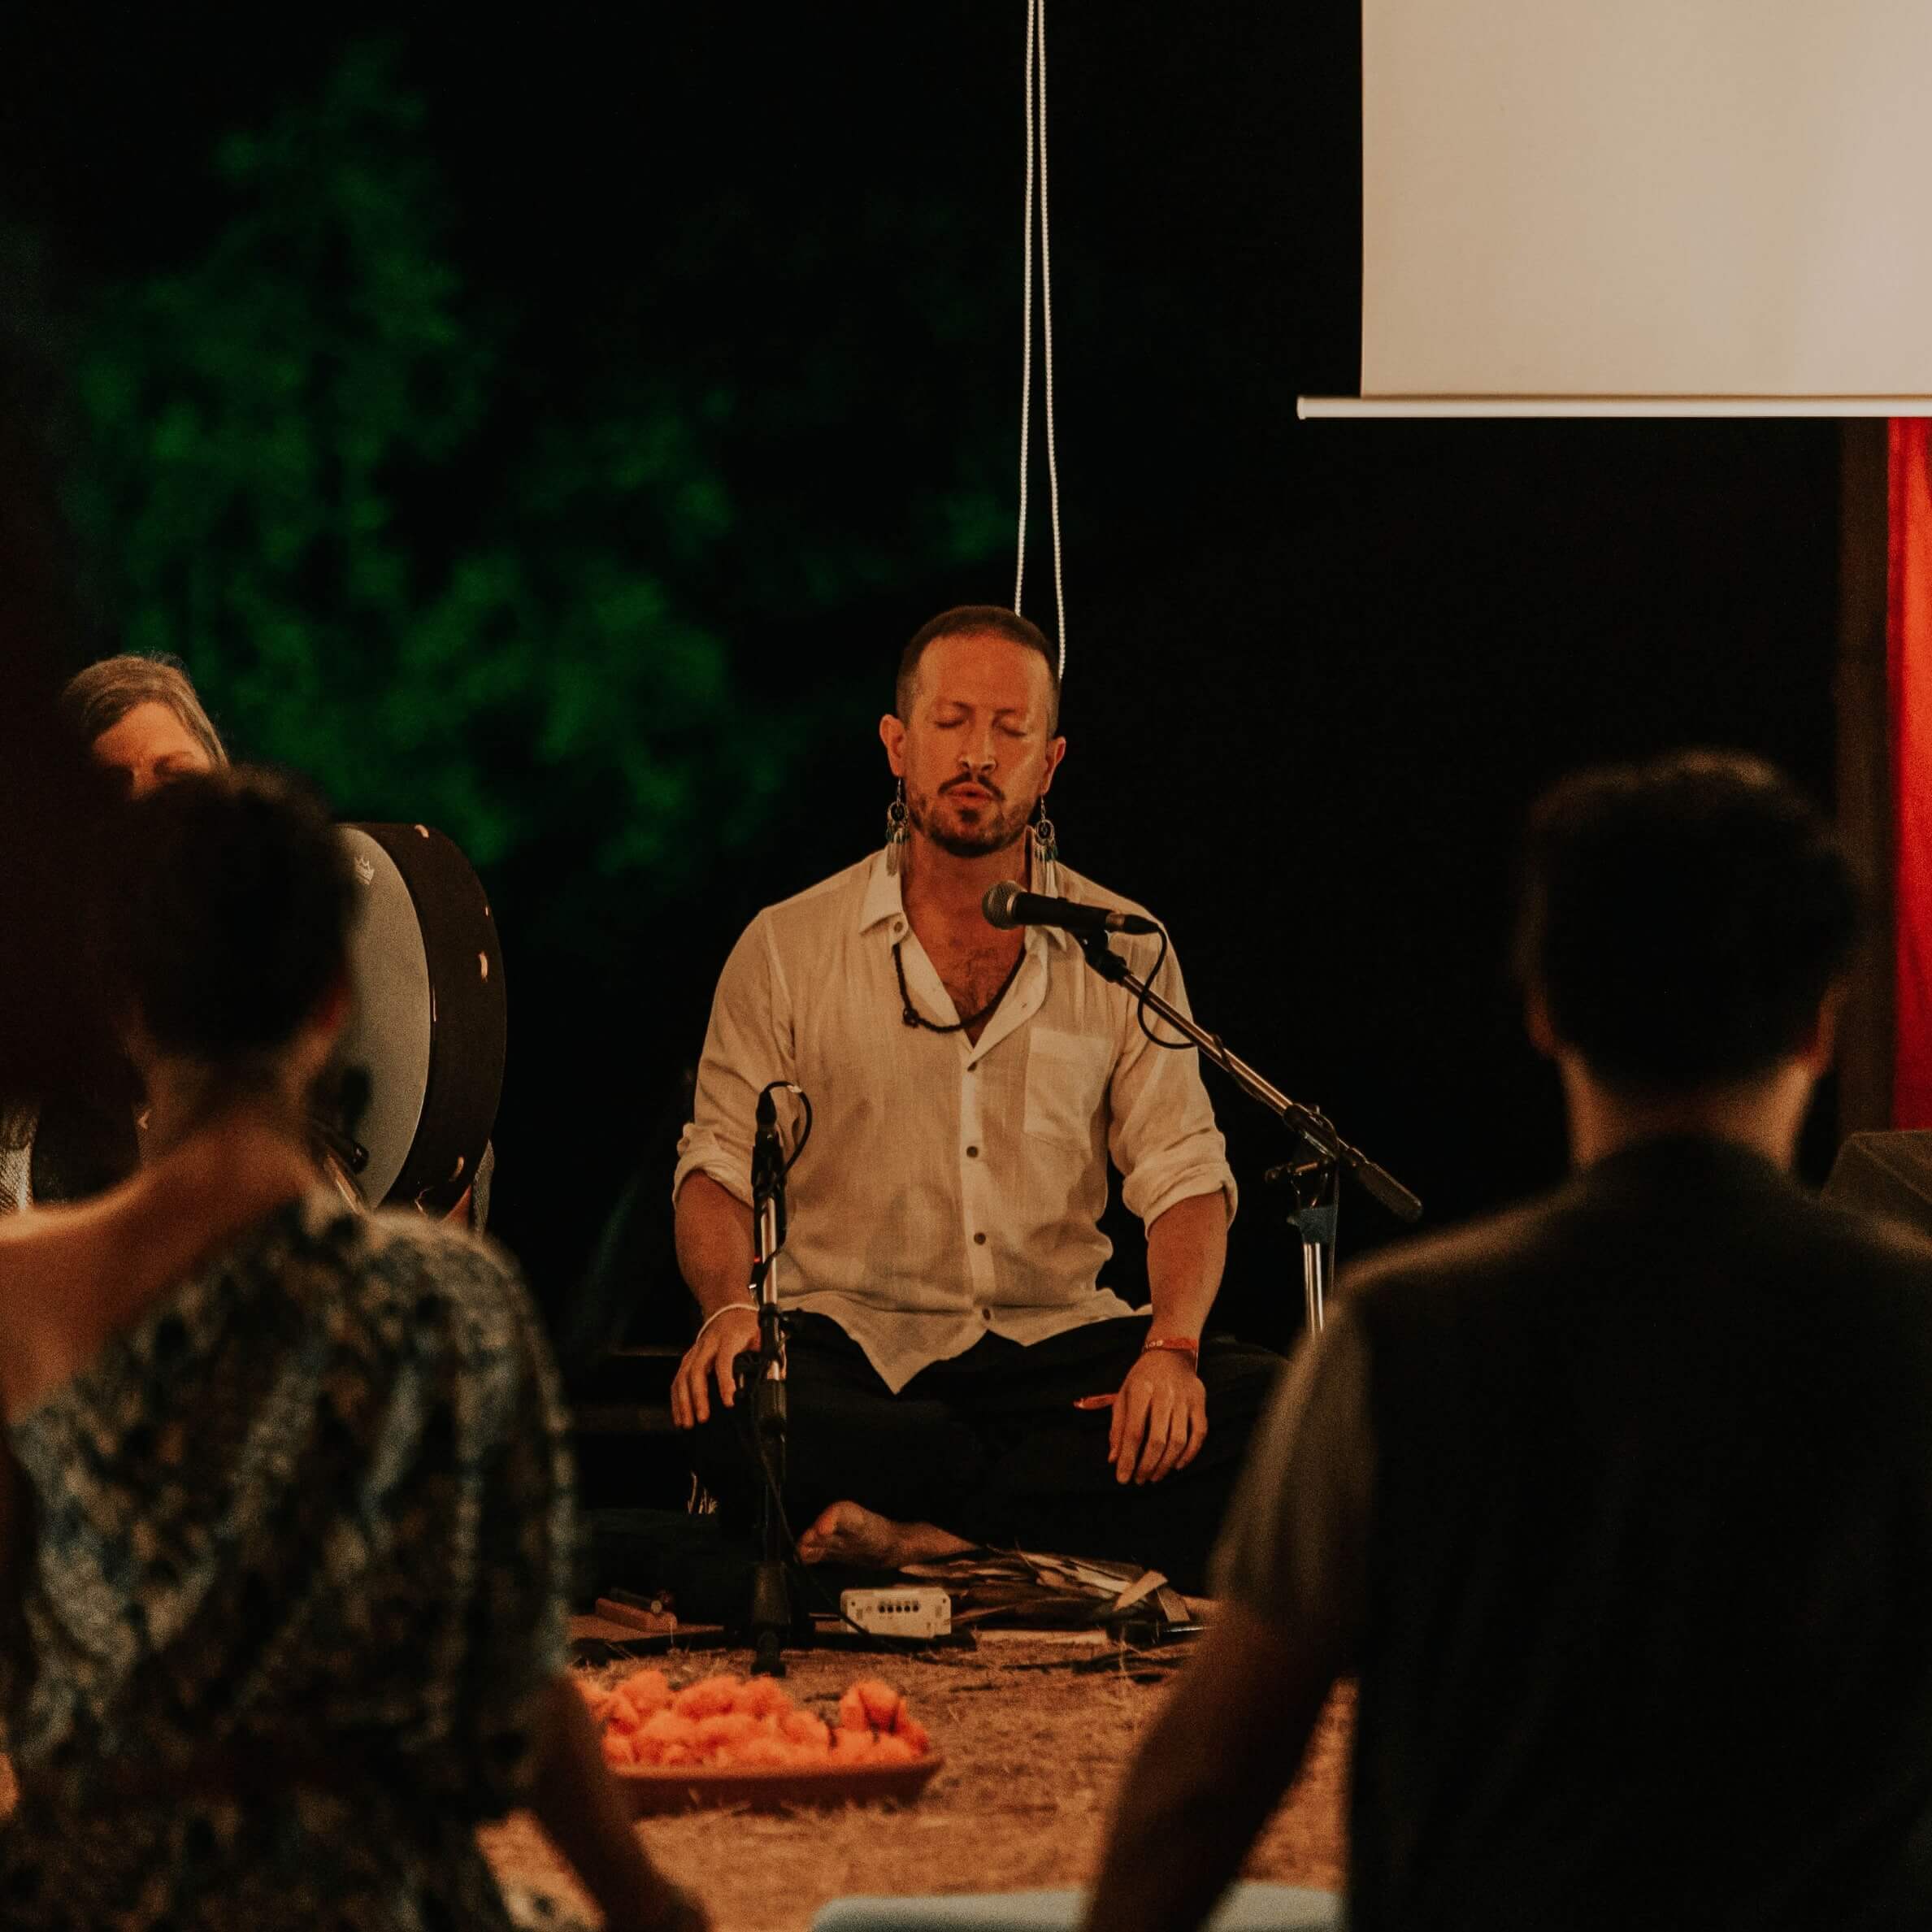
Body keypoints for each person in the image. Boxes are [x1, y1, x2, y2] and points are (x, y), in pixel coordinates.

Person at [1084, 750, 1932, 1932]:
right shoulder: (1912, 1327)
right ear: (1817, 1026)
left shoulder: (1396, 1337)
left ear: (1542, 1008)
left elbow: (1203, 1787)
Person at [0, 768, 705, 1932]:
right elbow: (517, 1696)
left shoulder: (19, 1292)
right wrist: (651, 1905)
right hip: (369, 1902)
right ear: (333, 1001)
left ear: (126, 1009)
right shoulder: (451, 1300)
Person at [671, 606, 1282, 1591]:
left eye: (1010, 730)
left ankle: (930, 1537)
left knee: (1268, 1407)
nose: (978, 755)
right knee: (739, 1400)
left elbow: (1183, 1175)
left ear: (1050, 762)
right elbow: (714, 1168)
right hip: (856, 1355)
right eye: (951, 722)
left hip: (1053, 1351)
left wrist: (1170, 1347)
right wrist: (728, 1309)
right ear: (897, 744)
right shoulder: (786, 945)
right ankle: (1028, 1528)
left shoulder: (1122, 945)